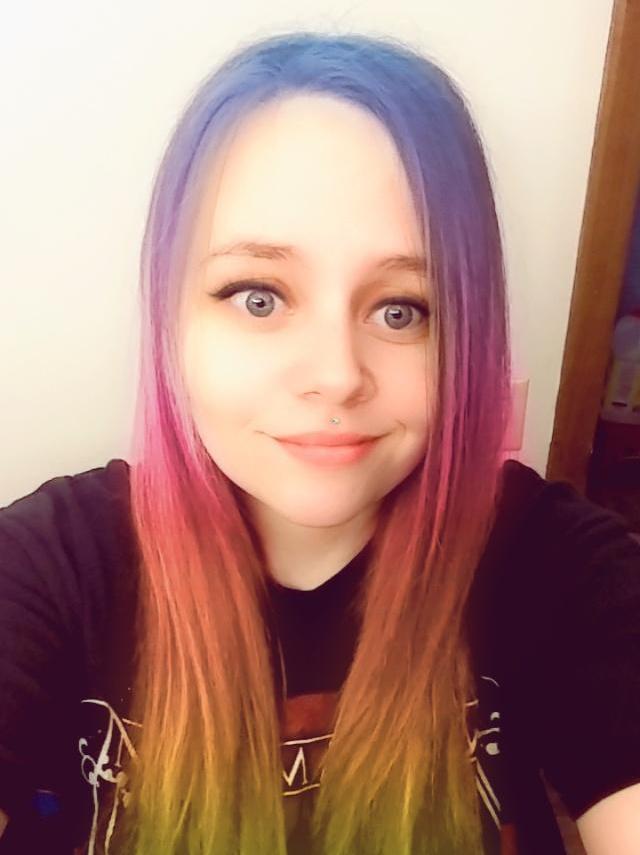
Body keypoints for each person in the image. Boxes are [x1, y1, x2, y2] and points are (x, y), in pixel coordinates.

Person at [1, 30, 639, 855]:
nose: (337, 375)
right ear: (171, 317)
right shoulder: (50, 569)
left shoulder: (557, 566)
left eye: (401, 309)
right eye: (259, 297)